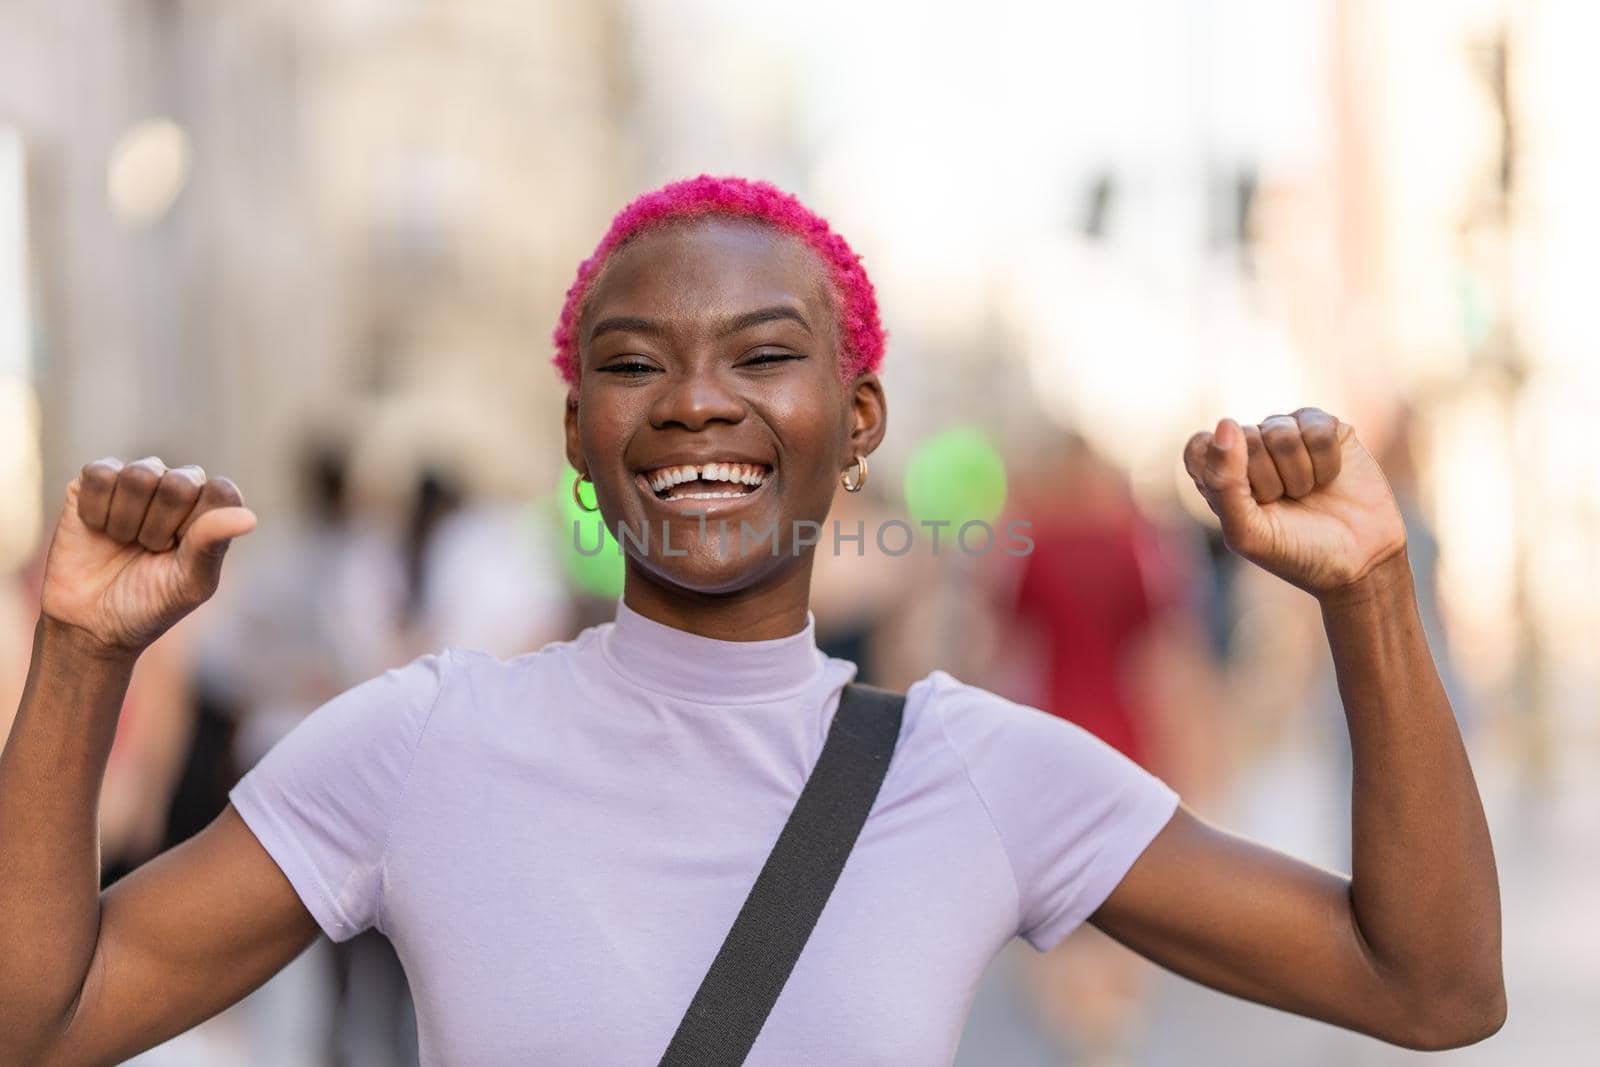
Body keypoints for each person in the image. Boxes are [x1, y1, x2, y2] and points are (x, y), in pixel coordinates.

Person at [0, 176, 1504, 1065]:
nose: (699, 401)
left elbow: (1431, 988)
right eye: (635, 364)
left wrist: (1373, 598)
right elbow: (39, 1026)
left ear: (855, 425)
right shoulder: (418, 742)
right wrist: (78, 654)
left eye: (762, 357)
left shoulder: (982, 771)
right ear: (580, 436)